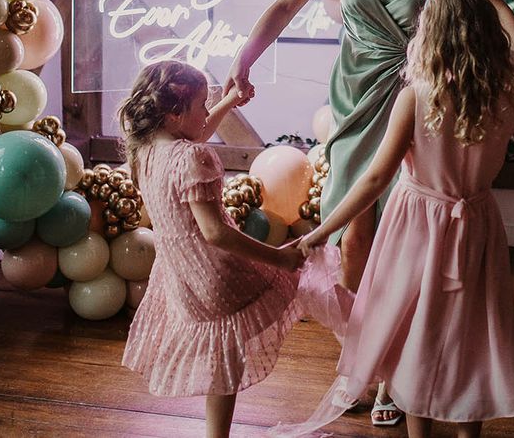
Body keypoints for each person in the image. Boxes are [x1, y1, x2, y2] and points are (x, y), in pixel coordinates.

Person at [226, 0, 514, 424]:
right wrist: (245, 58)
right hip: (355, 96)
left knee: (406, 246)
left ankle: (399, 378)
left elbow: (495, 10)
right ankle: (369, 364)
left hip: (417, 92)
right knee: (355, 236)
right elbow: (284, 5)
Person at [270, 0, 514, 438]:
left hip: (415, 229)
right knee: (471, 332)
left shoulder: (416, 97)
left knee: (414, 332)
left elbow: (373, 179)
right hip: (476, 230)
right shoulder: (507, 102)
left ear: (429, 36)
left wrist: (318, 232)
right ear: (488, 36)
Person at [118, 60, 351, 438]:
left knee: (221, 360)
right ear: (175, 113)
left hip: (181, 274)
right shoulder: (193, 158)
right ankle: (368, 361)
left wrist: (228, 101)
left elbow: (194, 133)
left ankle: (217, 435)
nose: (207, 114)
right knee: (302, 277)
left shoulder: (144, 150)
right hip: (215, 271)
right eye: (201, 105)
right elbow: (215, 233)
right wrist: (279, 256)